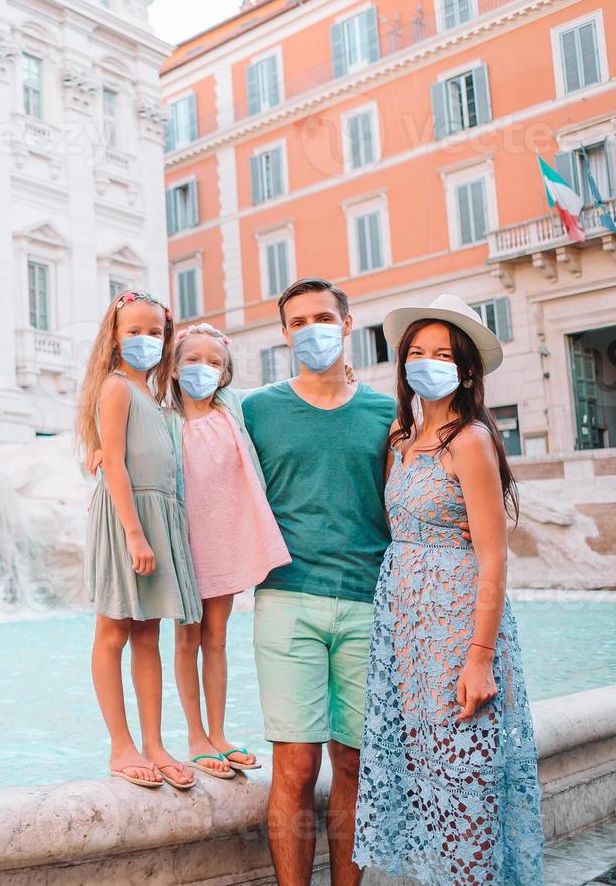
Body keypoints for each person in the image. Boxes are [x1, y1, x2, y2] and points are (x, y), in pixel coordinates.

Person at [353, 294, 542, 884]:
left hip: (459, 631)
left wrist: (480, 658)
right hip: (406, 632)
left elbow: (494, 559)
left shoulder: (471, 440)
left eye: (441, 354)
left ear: (465, 371)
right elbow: (402, 531)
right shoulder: (400, 437)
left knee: (465, 783)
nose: (425, 362)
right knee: (427, 778)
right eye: (415, 352)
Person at [242, 277, 395, 886]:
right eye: (298, 320)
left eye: (323, 317)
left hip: (368, 601)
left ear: (348, 322)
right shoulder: (256, 409)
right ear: (284, 334)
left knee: (355, 765)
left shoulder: (389, 412)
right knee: (297, 767)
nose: (312, 329)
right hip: (286, 600)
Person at [77, 290, 202, 790]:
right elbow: (115, 464)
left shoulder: (155, 397)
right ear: (114, 335)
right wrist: (134, 534)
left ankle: (154, 741)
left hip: (158, 517)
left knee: (148, 634)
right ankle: (120, 745)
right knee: (113, 632)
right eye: (134, 331)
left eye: (155, 332)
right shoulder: (116, 388)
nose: (146, 340)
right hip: (129, 520)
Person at [166, 323, 291, 780]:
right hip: (183, 541)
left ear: (226, 373)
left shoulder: (232, 408)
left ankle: (217, 733)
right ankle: (195, 736)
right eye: (193, 360)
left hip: (224, 536)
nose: (203, 369)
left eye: (214, 362)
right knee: (187, 638)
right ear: (174, 368)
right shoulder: (164, 416)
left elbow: (280, 393)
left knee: (216, 638)